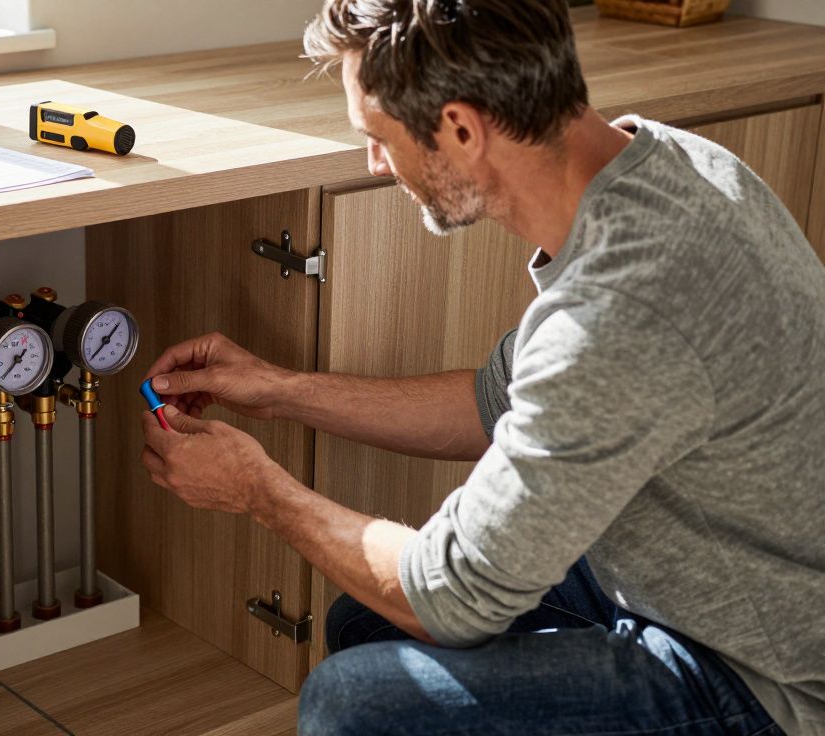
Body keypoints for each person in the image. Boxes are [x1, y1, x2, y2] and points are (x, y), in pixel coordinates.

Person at [137, 1, 825, 734]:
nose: (375, 162)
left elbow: (452, 597)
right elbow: (491, 402)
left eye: (378, 137)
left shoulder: (621, 311)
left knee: (353, 705)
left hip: (761, 677)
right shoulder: (657, 166)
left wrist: (257, 490)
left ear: (462, 128)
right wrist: (280, 390)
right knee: (369, 624)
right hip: (706, 577)